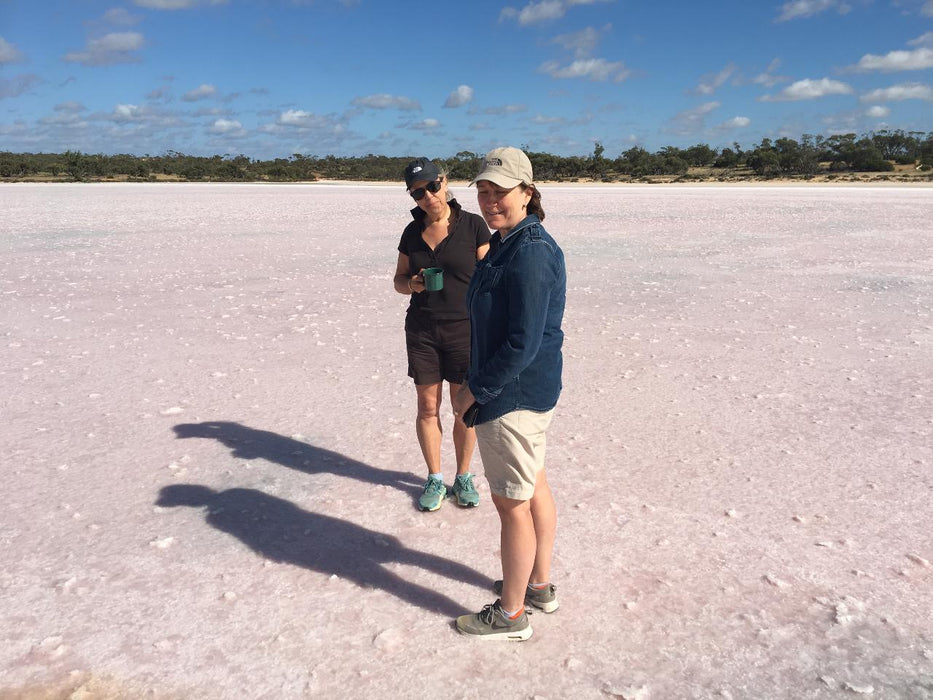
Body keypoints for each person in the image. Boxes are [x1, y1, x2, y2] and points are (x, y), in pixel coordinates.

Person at [452, 147, 566, 641]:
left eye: (500, 191)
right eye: (483, 191)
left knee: (512, 504)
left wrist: (474, 390)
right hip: (523, 390)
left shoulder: (530, 252)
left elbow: (523, 341)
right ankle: (537, 585)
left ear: (527, 192)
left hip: (511, 396)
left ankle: (513, 614)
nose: (490, 200)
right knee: (533, 485)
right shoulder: (507, 241)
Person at [393, 158, 491, 512]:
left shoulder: (473, 226)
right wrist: (412, 284)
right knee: (427, 407)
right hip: (423, 331)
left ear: (444, 182)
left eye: (432, 187)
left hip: (465, 330)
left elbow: (491, 276)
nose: (428, 196)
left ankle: (463, 476)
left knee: (463, 407)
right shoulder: (411, 232)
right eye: (418, 193)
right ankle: (434, 477)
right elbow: (398, 280)